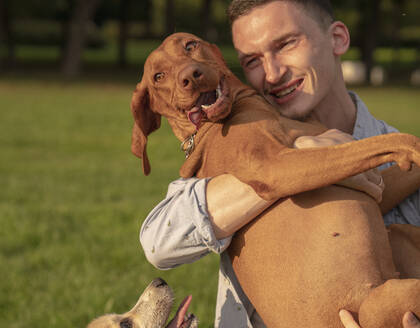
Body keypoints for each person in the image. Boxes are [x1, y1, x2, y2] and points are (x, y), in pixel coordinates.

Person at [139, 1, 420, 327]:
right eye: (252, 61)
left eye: (286, 44)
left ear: (339, 39)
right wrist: (298, 163)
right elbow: (158, 244)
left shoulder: (391, 149)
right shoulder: (227, 144)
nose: (272, 73)